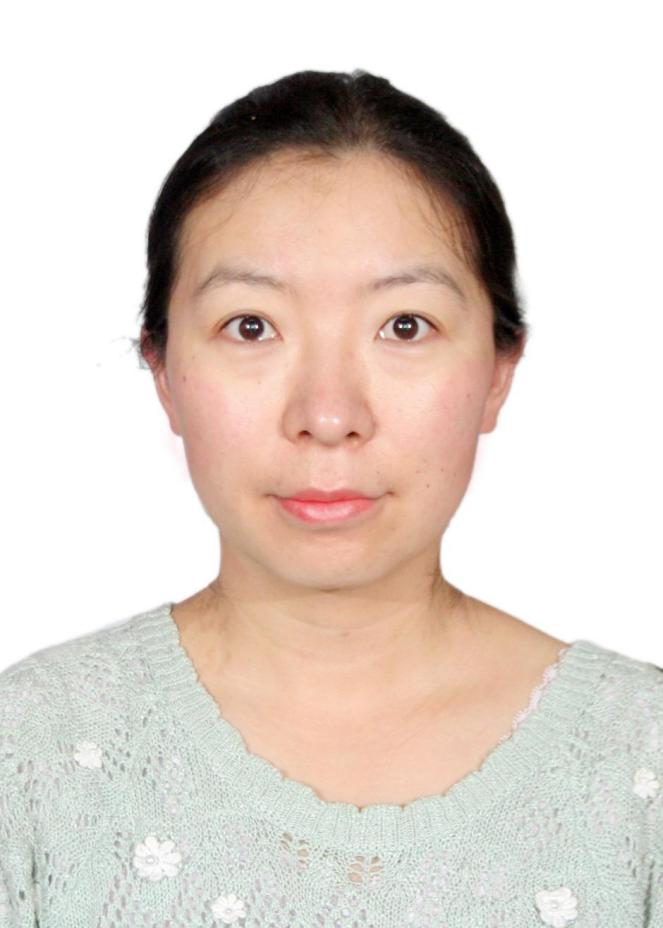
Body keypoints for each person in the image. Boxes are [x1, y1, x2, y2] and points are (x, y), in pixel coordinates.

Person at [1, 68, 661, 927]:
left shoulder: (640, 762)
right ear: (161, 370)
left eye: (404, 326)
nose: (326, 415)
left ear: (499, 371)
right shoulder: (32, 753)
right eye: (250, 326)